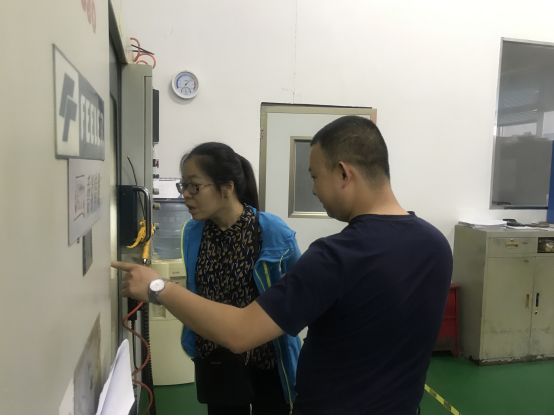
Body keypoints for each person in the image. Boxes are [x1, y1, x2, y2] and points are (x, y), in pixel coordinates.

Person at [113, 117, 453, 414]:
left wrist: (156, 287)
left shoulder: (334, 257)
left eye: (315, 176)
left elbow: (240, 332)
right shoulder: (435, 245)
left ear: (343, 173)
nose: (314, 190)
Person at [172, 142, 302, 414]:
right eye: (183, 186)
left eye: (194, 186)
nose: (185, 195)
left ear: (227, 187)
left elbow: (300, 292)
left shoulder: (272, 231)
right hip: (217, 362)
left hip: (267, 361)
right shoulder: (193, 233)